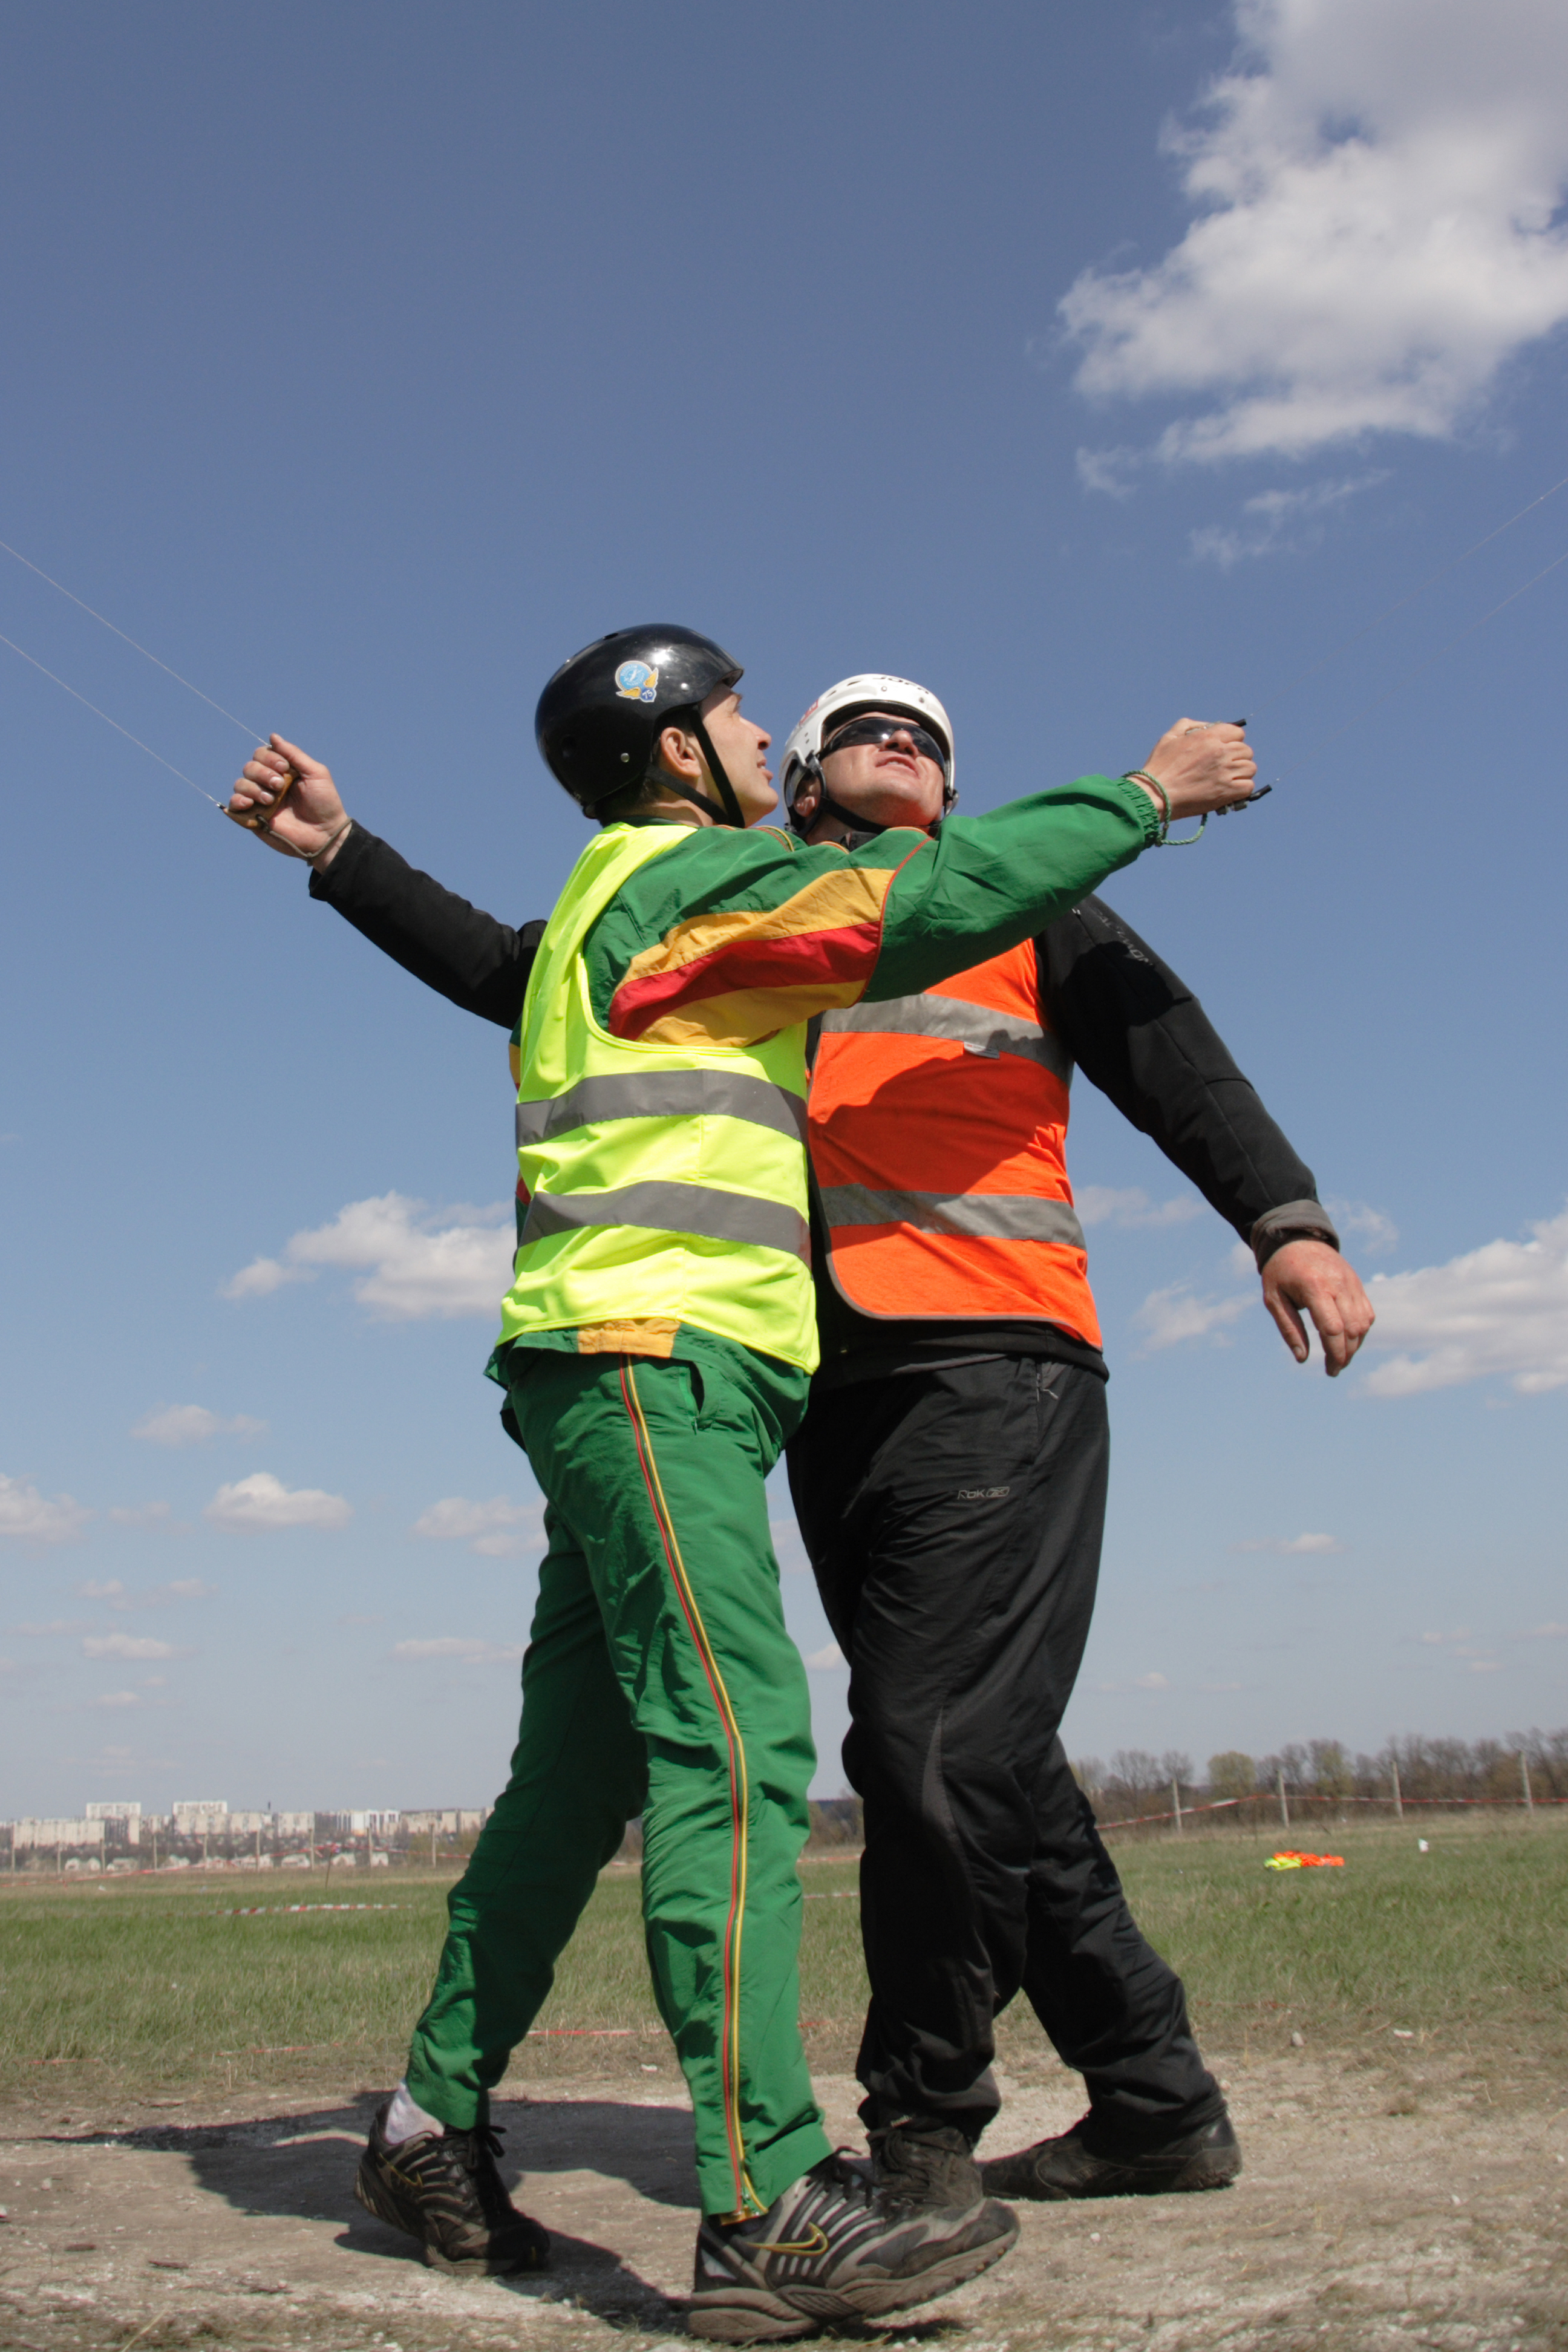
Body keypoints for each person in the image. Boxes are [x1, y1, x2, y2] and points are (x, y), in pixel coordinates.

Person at [225, 625, 1256, 2341]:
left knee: (581, 1770)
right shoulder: (699, 883)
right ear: (680, 754)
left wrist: (344, 855)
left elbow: (491, 958)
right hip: (661, 1364)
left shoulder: (608, 901)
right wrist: (1144, 795)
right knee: (735, 1745)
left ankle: (425, 2126)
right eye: (742, 717)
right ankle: (762, 2207)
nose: (769, 737)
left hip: (601, 1372)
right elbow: (921, 904)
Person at [773, 676, 1374, 2212]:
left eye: (930, 738)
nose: (907, 744)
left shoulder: (1028, 897)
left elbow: (1179, 1058)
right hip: (825, 1388)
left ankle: (922, 2134)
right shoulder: (756, 911)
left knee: (925, 1745)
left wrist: (1284, 1219)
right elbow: (538, 977)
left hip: (999, 1363)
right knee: (989, 1764)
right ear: (801, 781)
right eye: (868, 729)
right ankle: (1155, 2104)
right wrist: (346, 857)